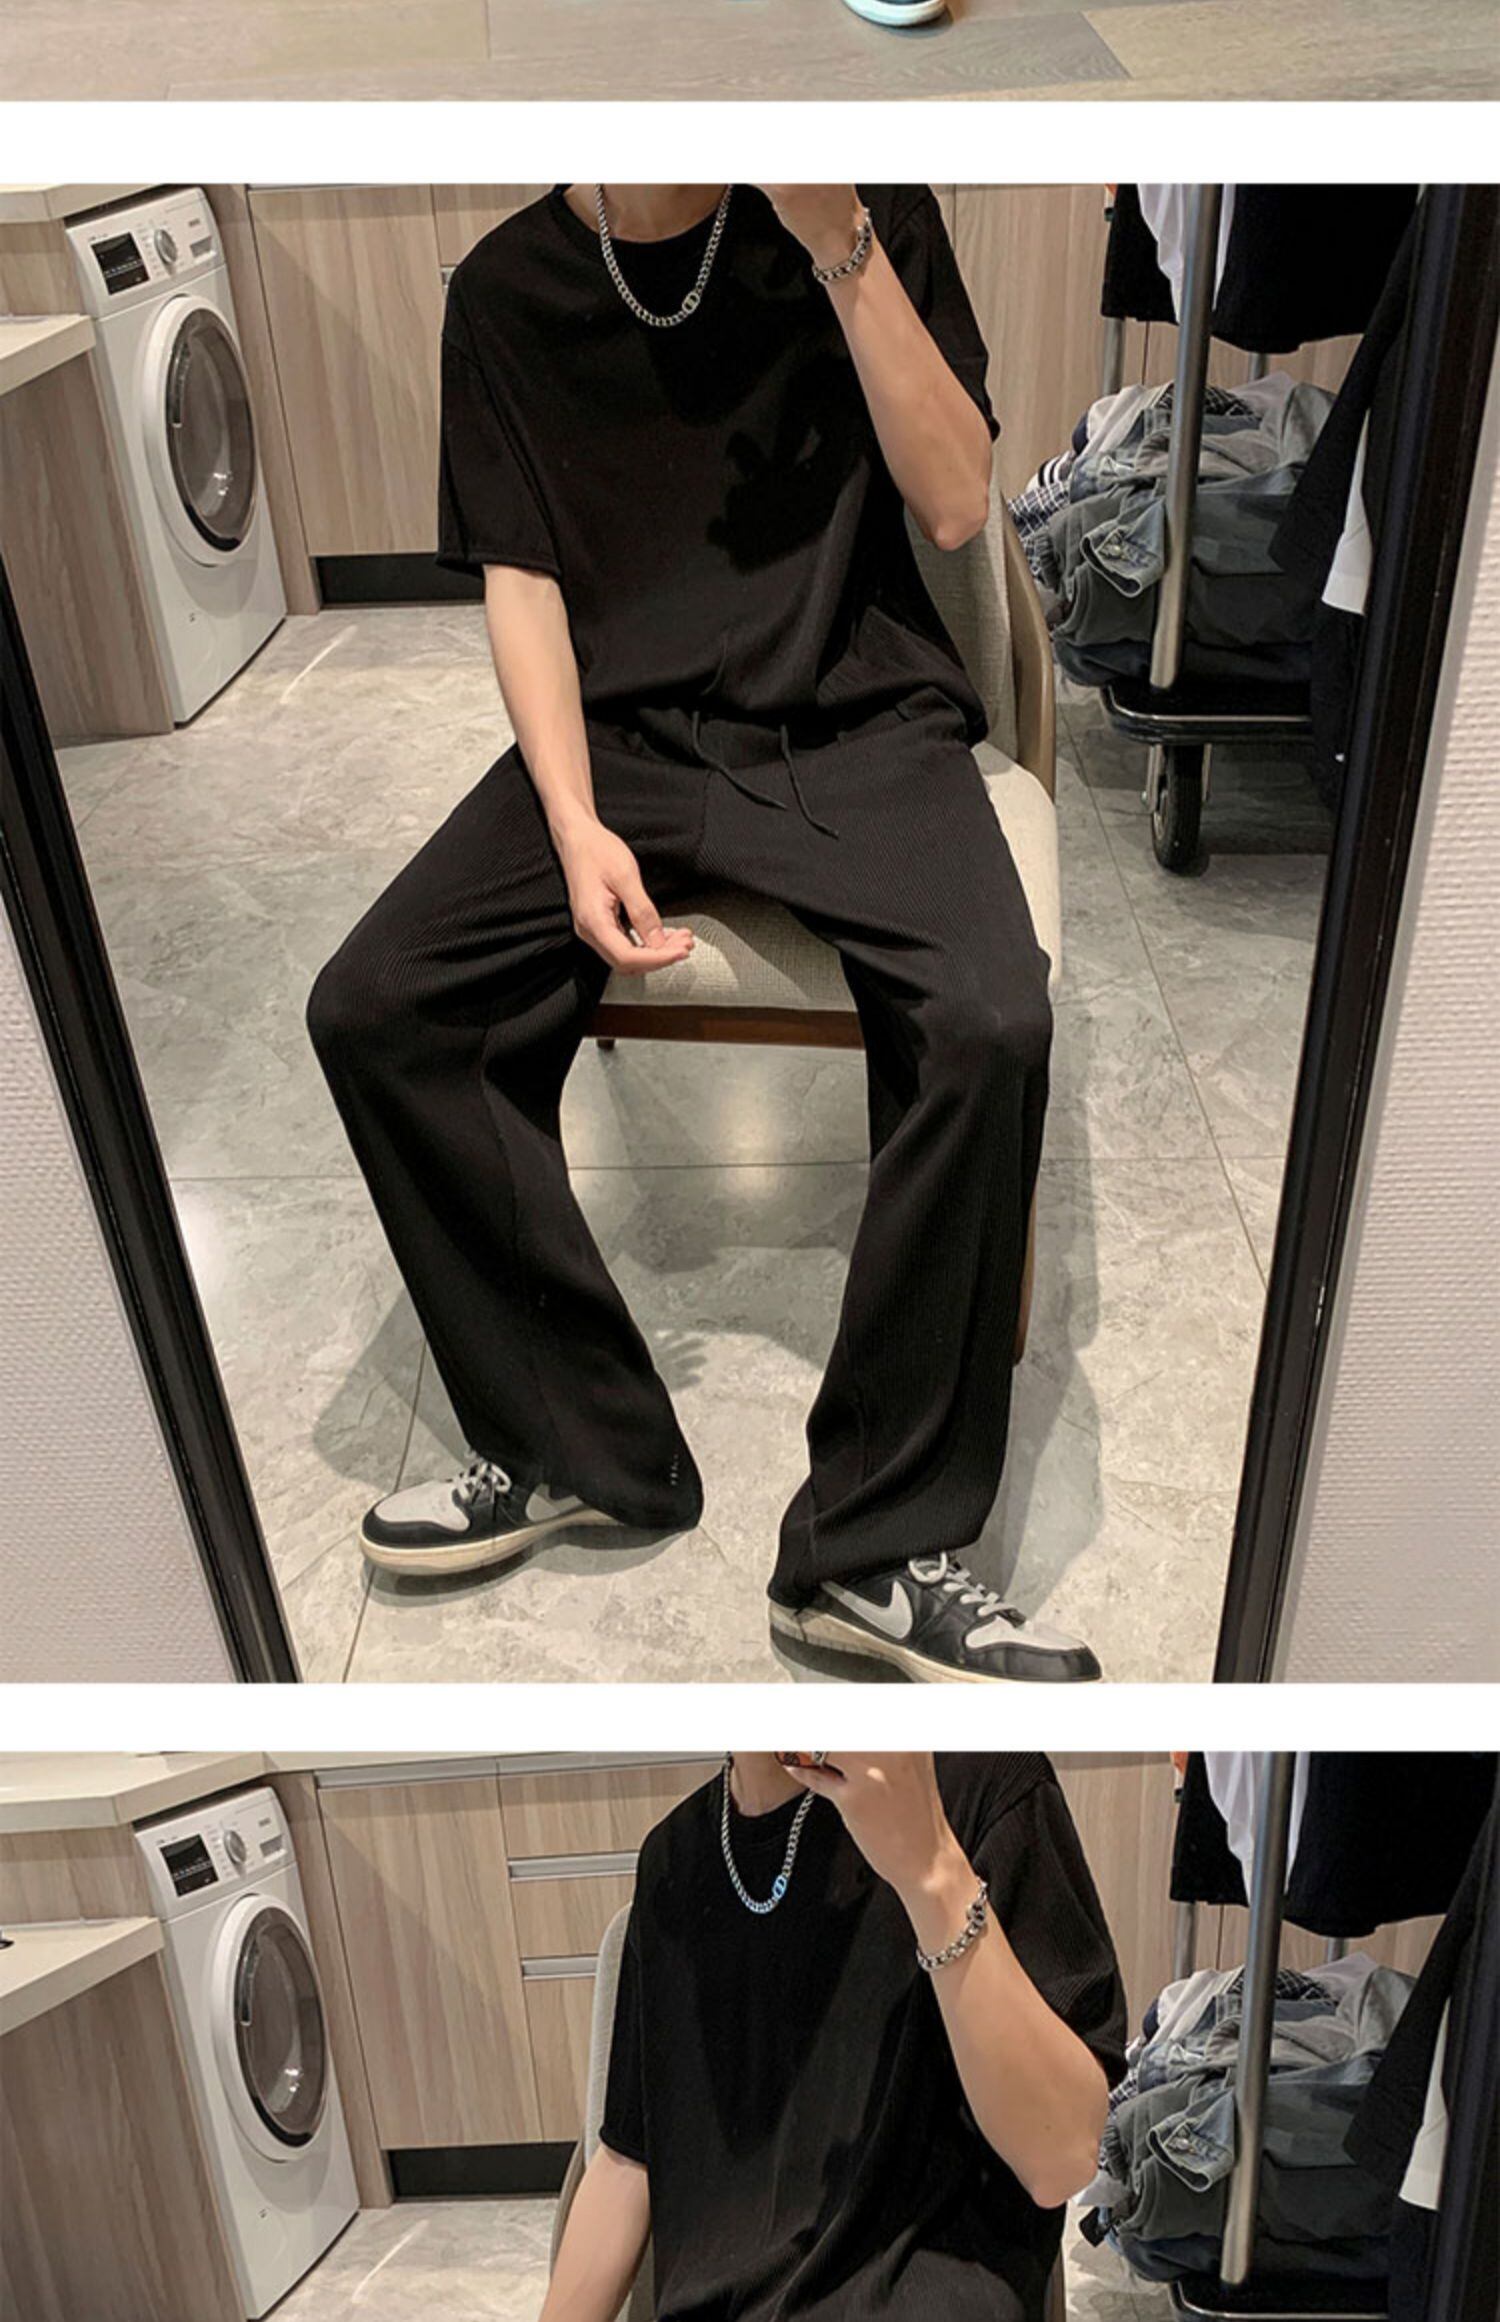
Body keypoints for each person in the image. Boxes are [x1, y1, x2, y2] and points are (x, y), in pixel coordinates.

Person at [308, 184, 1098, 1684]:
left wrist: (837, 242)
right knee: (380, 1006)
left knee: (989, 1017)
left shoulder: (860, 213)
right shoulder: (508, 290)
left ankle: (869, 1549)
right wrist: (571, 821)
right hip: (619, 738)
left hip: (854, 716)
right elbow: (523, 581)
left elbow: (953, 505)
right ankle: (581, 1448)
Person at [542, 1751, 1126, 2322]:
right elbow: (627, 2159)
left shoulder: (980, 1782)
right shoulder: (673, 1860)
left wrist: (932, 1873)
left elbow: (1063, 2157)